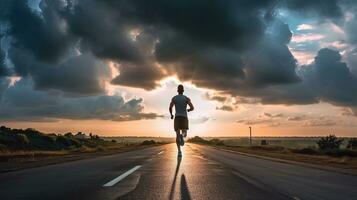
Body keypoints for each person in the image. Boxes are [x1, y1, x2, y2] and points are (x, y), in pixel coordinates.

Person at [169, 84, 194, 157]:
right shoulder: (186, 98)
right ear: (183, 91)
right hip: (184, 117)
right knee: (185, 134)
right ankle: (182, 136)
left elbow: (170, 107)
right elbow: (192, 107)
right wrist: (188, 110)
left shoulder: (174, 98)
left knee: (177, 135)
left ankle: (179, 151)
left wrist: (171, 115)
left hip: (177, 117)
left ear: (177, 90)